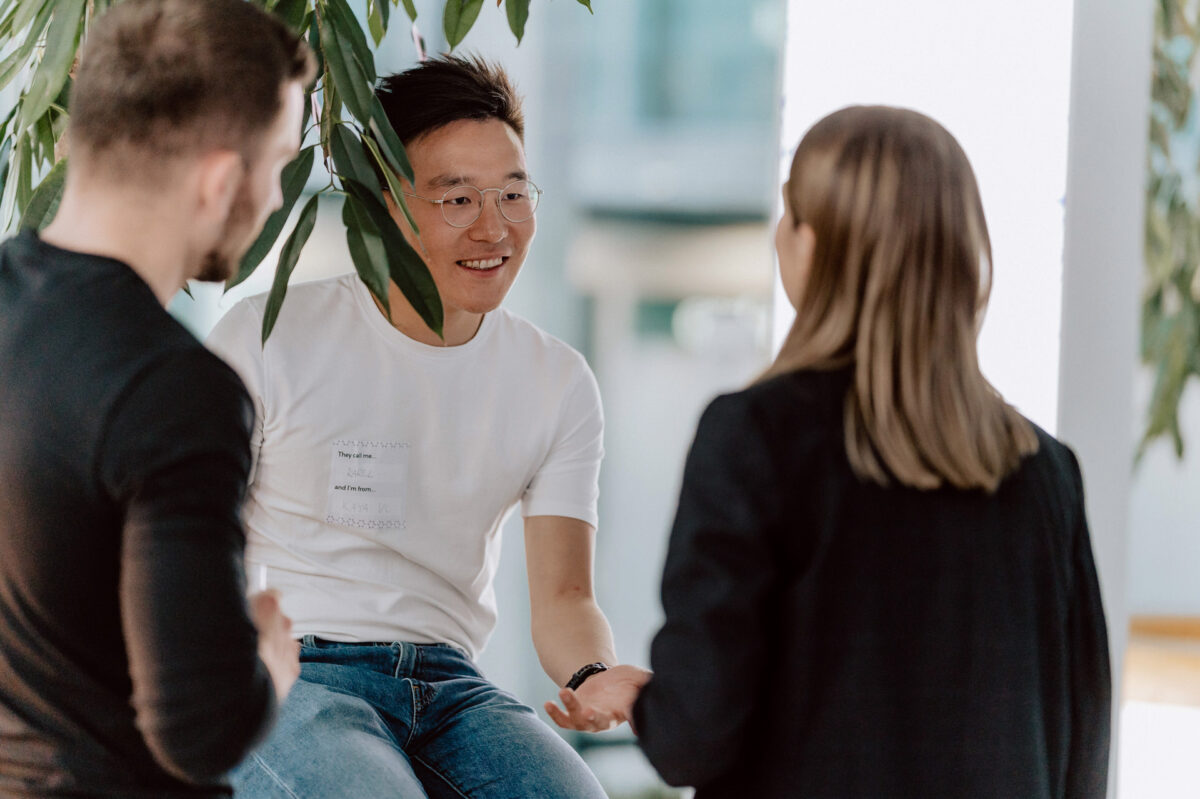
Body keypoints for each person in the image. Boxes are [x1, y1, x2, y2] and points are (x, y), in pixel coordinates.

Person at [629, 106, 1112, 798]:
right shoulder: (1047, 472)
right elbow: (1081, 753)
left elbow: (693, 737)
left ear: (817, 245)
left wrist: (647, 700)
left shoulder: (756, 436)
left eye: (790, 214)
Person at [206, 55, 649, 798]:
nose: (494, 225)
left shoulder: (558, 380)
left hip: (449, 682)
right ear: (385, 202)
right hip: (292, 669)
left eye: (513, 192)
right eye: (458, 198)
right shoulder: (266, 334)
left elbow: (566, 596)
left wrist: (593, 675)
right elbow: (185, 536)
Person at [0, 1, 316, 795]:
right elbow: (199, 730)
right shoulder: (180, 391)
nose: (278, 198)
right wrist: (267, 663)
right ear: (217, 180)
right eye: (278, 161)